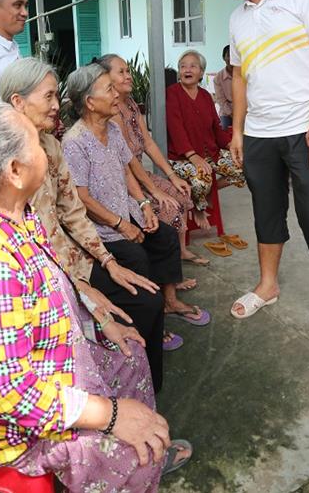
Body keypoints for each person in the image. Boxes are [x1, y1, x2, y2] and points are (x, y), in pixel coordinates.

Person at [0, 103, 192, 493]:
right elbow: (12, 393)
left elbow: (52, 278)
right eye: (35, 142)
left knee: (130, 354)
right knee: (129, 453)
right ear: (14, 171)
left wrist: (100, 320)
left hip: (41, 365)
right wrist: (111, 415)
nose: (48, 149)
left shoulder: (13, 211)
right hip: (2, 429)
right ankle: (132, 465)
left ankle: (136, 447)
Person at [0, 57, 167, 391]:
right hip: (42, 279)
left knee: (147, 297)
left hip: (73, 260)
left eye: (56, 95)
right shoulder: (6, 160)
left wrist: (107, 261)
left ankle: (146, 391)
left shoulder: (50, 146)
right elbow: (31, 240)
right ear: (18, 101)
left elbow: (72, 211)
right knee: (128, 306)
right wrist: (80, 288)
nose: (56, 105)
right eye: (48, 96)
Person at [213, 0, 309, 342]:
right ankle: (268, 285)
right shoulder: (237, 18)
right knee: (266, 211)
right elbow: (239, 77)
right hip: (259, 134)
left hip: (305, 130)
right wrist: (238, 131)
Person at [62, 66, 211, 340]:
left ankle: (169, 302)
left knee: (165, 237)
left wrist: (144, 205)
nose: (115, 94)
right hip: (103, 228)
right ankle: (150, 326)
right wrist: (121, 225)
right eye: (109, 89)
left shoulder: (112, 129)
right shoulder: (74, 142)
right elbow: (81, 198)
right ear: (90, 102)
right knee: (137, 257)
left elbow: (126, 170)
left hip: (126, 211)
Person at [97, 53, 206, 273]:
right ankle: (166, 274)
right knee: (168, 208)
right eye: (121, 72)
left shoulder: (130, 104)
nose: (128, 76)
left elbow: (148, 143)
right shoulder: (113, 111)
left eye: (128, 71)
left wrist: (172, 176)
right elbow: (127, 162)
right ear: (106, 78)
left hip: (140, 174)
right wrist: (155, 191)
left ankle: (180, 252)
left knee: (181, 192)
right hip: (126, 181)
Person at [166, 49, 245, 235]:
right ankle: (198, 207)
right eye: (183, 66)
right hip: (182, 157)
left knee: (243, 168)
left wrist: (231, 146)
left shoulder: (205, 96)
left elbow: (216, 127)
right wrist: (193, 156)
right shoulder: (172, 93)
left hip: (210, 152)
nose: (187, 69)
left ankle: (206, 192)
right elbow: (176, 129)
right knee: (201, 179)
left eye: (193, 66)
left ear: (201, 72)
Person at [214, 45, 233, 129]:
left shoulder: (243, 74)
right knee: (225, 132)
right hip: (226, 113)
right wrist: (231, 114)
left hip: (243, 112)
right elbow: (221, 100)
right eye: (228, 55)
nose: (231, 59)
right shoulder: (218, 78)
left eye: (234, 55)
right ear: (224, 58)